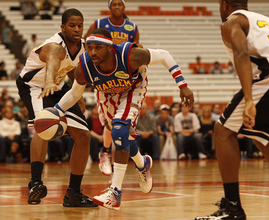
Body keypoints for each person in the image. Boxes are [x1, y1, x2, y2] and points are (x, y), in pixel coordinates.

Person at [54, 28, 194, 210]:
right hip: (107, 92)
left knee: (119, 130)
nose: (93, 52)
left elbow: (164, 55)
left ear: (110, 48)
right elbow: (74, 94)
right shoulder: (84, 67)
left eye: (98, 47)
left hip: (133, 88)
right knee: (121, 134)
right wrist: (56, 112)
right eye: (89, 47)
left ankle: (115, 192)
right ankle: (143, 164)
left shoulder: (131, 55)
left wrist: (182, 85)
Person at [195, 0, 269, 219]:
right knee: (261, 136)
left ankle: (232, 207)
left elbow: (241, 54)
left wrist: (250, 100)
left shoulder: (232, 21)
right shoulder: (267, 21)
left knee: (223, 131)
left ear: (224, 4)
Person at [16, 9, 97, 207]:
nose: (77, 29)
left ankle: (73, 193)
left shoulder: (83, 47)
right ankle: (35, 183)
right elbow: (54, 60)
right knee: (43, 126)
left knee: (83, 135)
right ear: (62, 27)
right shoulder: (55, 45)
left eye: (80, 25)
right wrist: (50, 81)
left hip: (59, 87)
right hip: (34, 86)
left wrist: (77, 94)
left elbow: (72, 69)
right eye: (72, 26)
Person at [84, 0, 143, 178]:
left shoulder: (132, 27)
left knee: (123, 126)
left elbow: (136, 49)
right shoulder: (99, 24)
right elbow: (86, 43)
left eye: (120, 4)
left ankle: (120, 175)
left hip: (124, 79)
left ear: (124, 7)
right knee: (111, 124)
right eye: (114, 4)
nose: (117, 7)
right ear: (110, 7)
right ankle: (105, 151)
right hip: (104, 77)